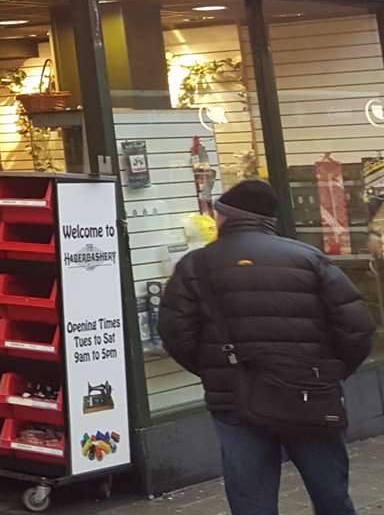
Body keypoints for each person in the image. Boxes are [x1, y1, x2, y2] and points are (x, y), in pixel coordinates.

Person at [159, 178, 376, 515]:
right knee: (331, 494)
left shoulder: (195, 265)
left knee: (251, 501)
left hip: (235, 397)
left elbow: (175, 333)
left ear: (225, 217)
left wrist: (216, 370)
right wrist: (328, 374)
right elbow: (357, 328)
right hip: (309, 394)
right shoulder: (308, 258)